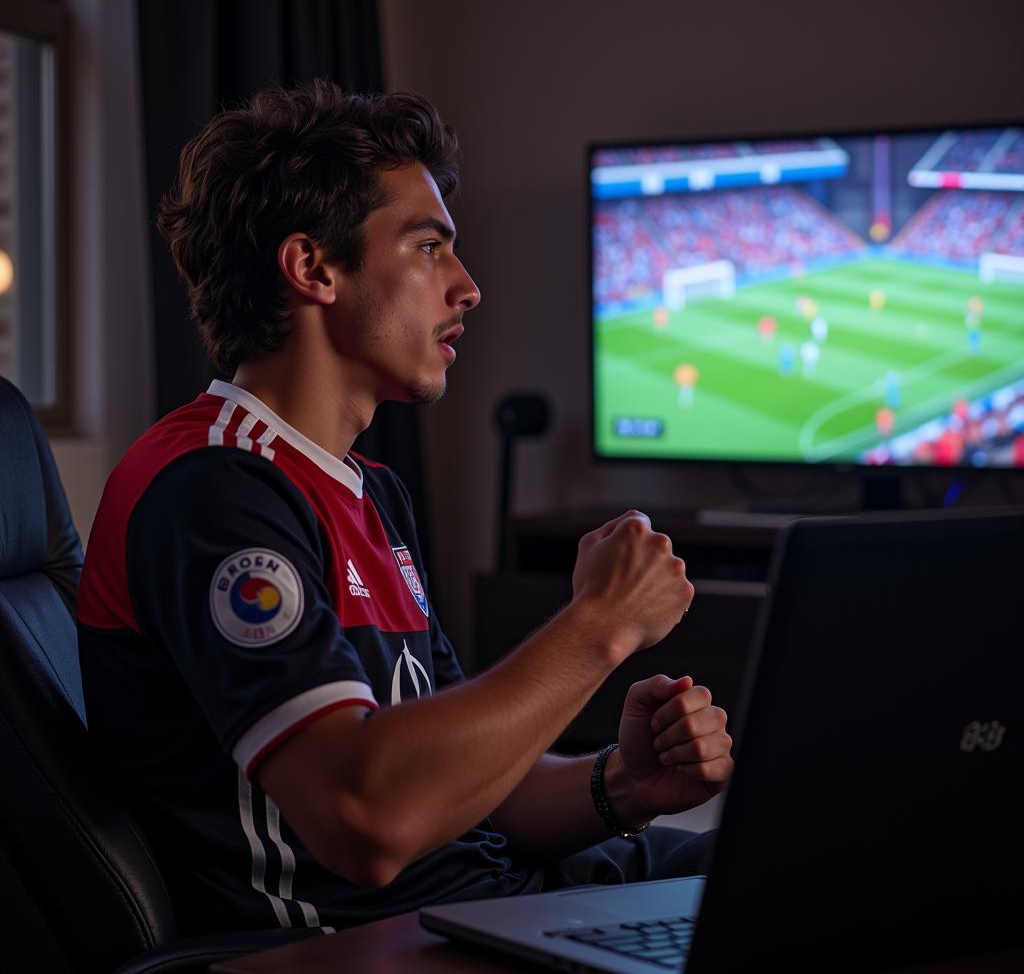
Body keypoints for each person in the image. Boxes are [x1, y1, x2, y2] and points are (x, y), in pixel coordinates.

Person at [76, 80, 734, 935]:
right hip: (372, 941)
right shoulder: (211, 489)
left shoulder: (367, 487)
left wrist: (624, 785)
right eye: (429, 247)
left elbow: (480, 795)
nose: (466, 287)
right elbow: (369, 820)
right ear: (314, 268)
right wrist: (601, 624)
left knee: (825, 863)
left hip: (493, 895)